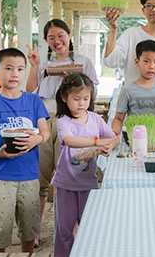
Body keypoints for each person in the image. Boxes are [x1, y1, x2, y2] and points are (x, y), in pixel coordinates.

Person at [25, 18, 99, 245]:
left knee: (66, 177)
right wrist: (35, 67)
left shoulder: (83, 61)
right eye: (51, 38)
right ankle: (34, 231)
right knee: (39, 176)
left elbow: (92, 94)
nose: (57, 41)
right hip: (45, 120)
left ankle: (67, 230)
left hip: (73, 121)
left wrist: (72, 83)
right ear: (46, 41)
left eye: (60, 35)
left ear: (69, 36)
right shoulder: (43, 62)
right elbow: (30, 93)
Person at [0, 48, 50, 254]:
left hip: (30, 177)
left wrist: (37, 139)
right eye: (8, 68)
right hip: (1, 178)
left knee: (29, 231)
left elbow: (45, 132)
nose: (14, 74)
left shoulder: (34, 101)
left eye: (20, 69)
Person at [51, 73, 119, 257]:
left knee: (89, 227)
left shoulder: (95, 119)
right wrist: (97, 142)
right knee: (65, 230)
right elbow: (70, 140)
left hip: (88, 183)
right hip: (66, 184)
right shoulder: (63, 121)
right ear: (64, 97)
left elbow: (113, 137)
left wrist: (110, 146)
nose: (81, 103)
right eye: (76, 98)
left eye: (86, 98)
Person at [111, 39, 155, 136]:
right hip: (134, 137)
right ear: (137, 61)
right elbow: (118, 118)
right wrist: (114, 133)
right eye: (146, 61)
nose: (151, 66)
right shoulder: (128, 90)